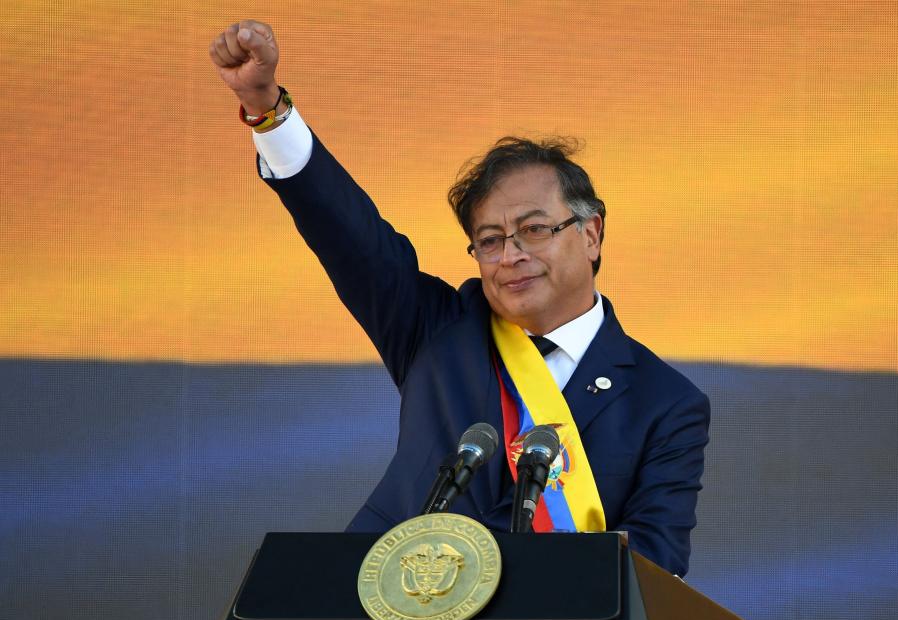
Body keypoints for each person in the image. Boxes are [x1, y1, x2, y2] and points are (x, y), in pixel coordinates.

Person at [210, 20, 710, 577]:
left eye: (535, 229)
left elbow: (655, 563)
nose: (510, 254)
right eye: (490, 240)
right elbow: (350, 237)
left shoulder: (665, 402)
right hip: (397, 616)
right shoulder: (438, 331)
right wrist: (266, 108)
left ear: (591, 234)